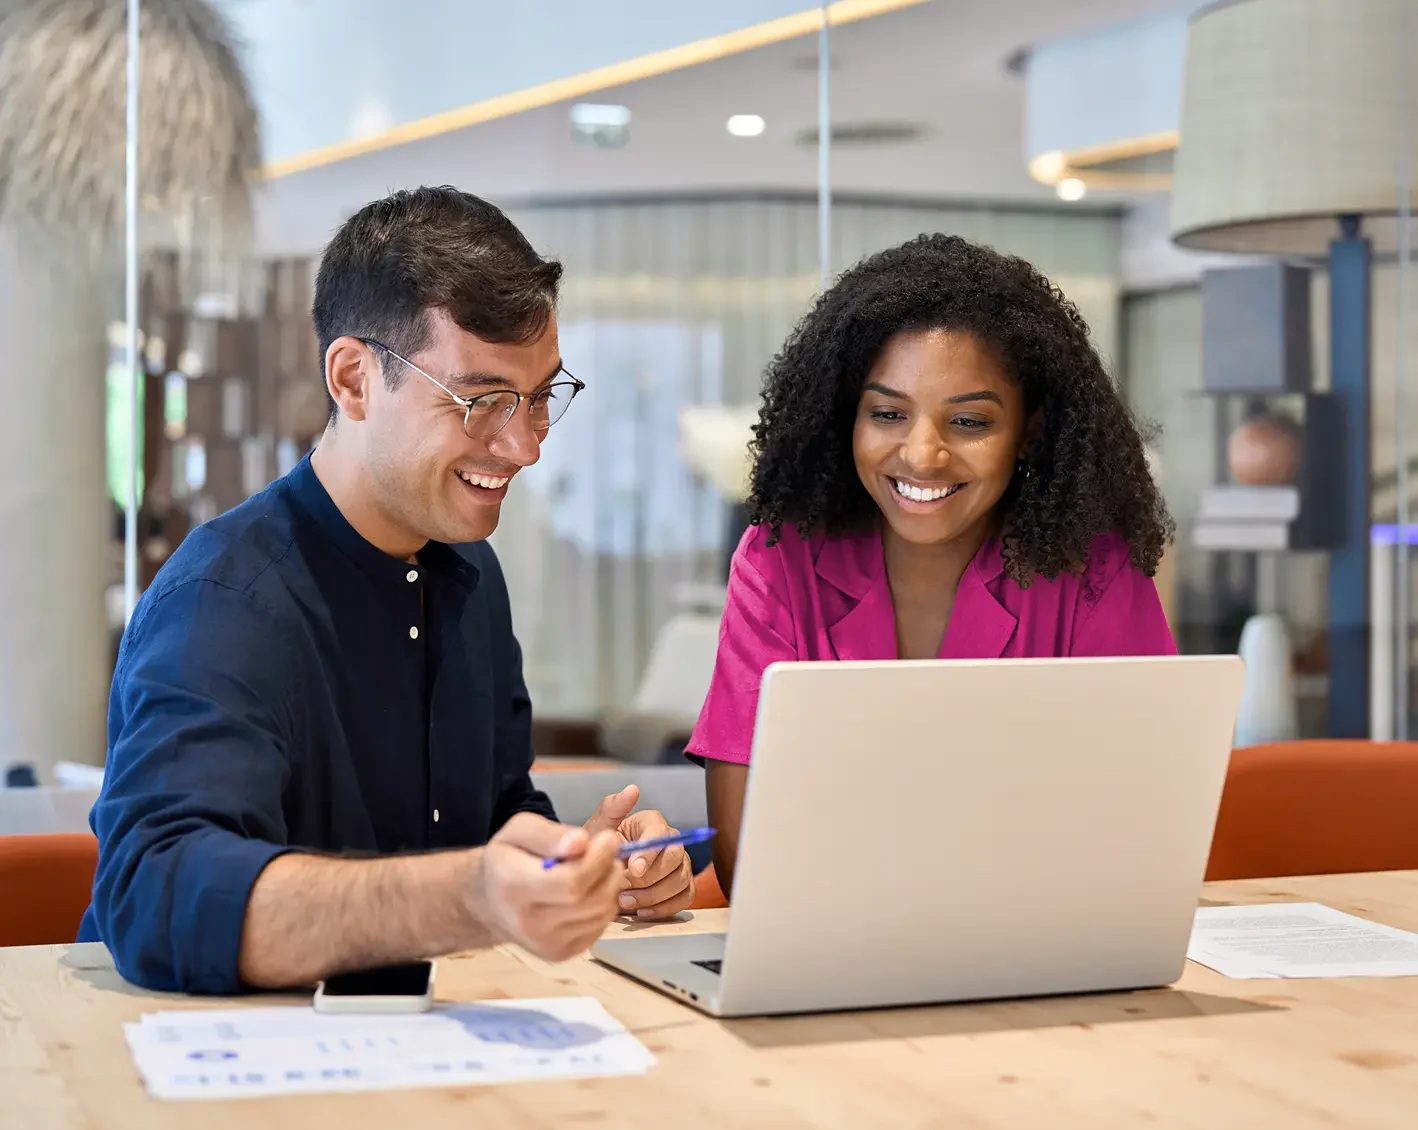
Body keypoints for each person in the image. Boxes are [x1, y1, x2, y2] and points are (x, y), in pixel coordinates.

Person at [78, 186, 694, 994]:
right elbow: (158, 894)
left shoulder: (472, 574)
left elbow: (498, 811)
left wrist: (576, 862)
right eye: (481, 402)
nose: (523, 448)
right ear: (355, 379)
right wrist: (467, 896)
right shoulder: (223, 601)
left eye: (540, 399)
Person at [689, 233, 1177, 897]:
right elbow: (747, 862)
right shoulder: (781, 560)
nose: (922, 455)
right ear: (845, 419)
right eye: (888, 413)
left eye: (969, 423)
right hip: (828, 950)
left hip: (1042, 951)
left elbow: (1140, 828)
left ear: (1029, 431)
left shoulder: (1093, 568)